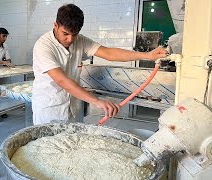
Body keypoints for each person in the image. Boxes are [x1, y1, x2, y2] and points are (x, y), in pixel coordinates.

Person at [32, 4, 168, 125]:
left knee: (72, 146)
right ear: (55, 25)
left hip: (73, 106)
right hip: (50, 108)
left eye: (75, 34)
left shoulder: (79, 40)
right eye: (65, 34)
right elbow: (62, 80)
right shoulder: (43, 46)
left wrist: (147, 55)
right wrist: (97, 101)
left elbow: (109, 53)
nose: (70, 39)